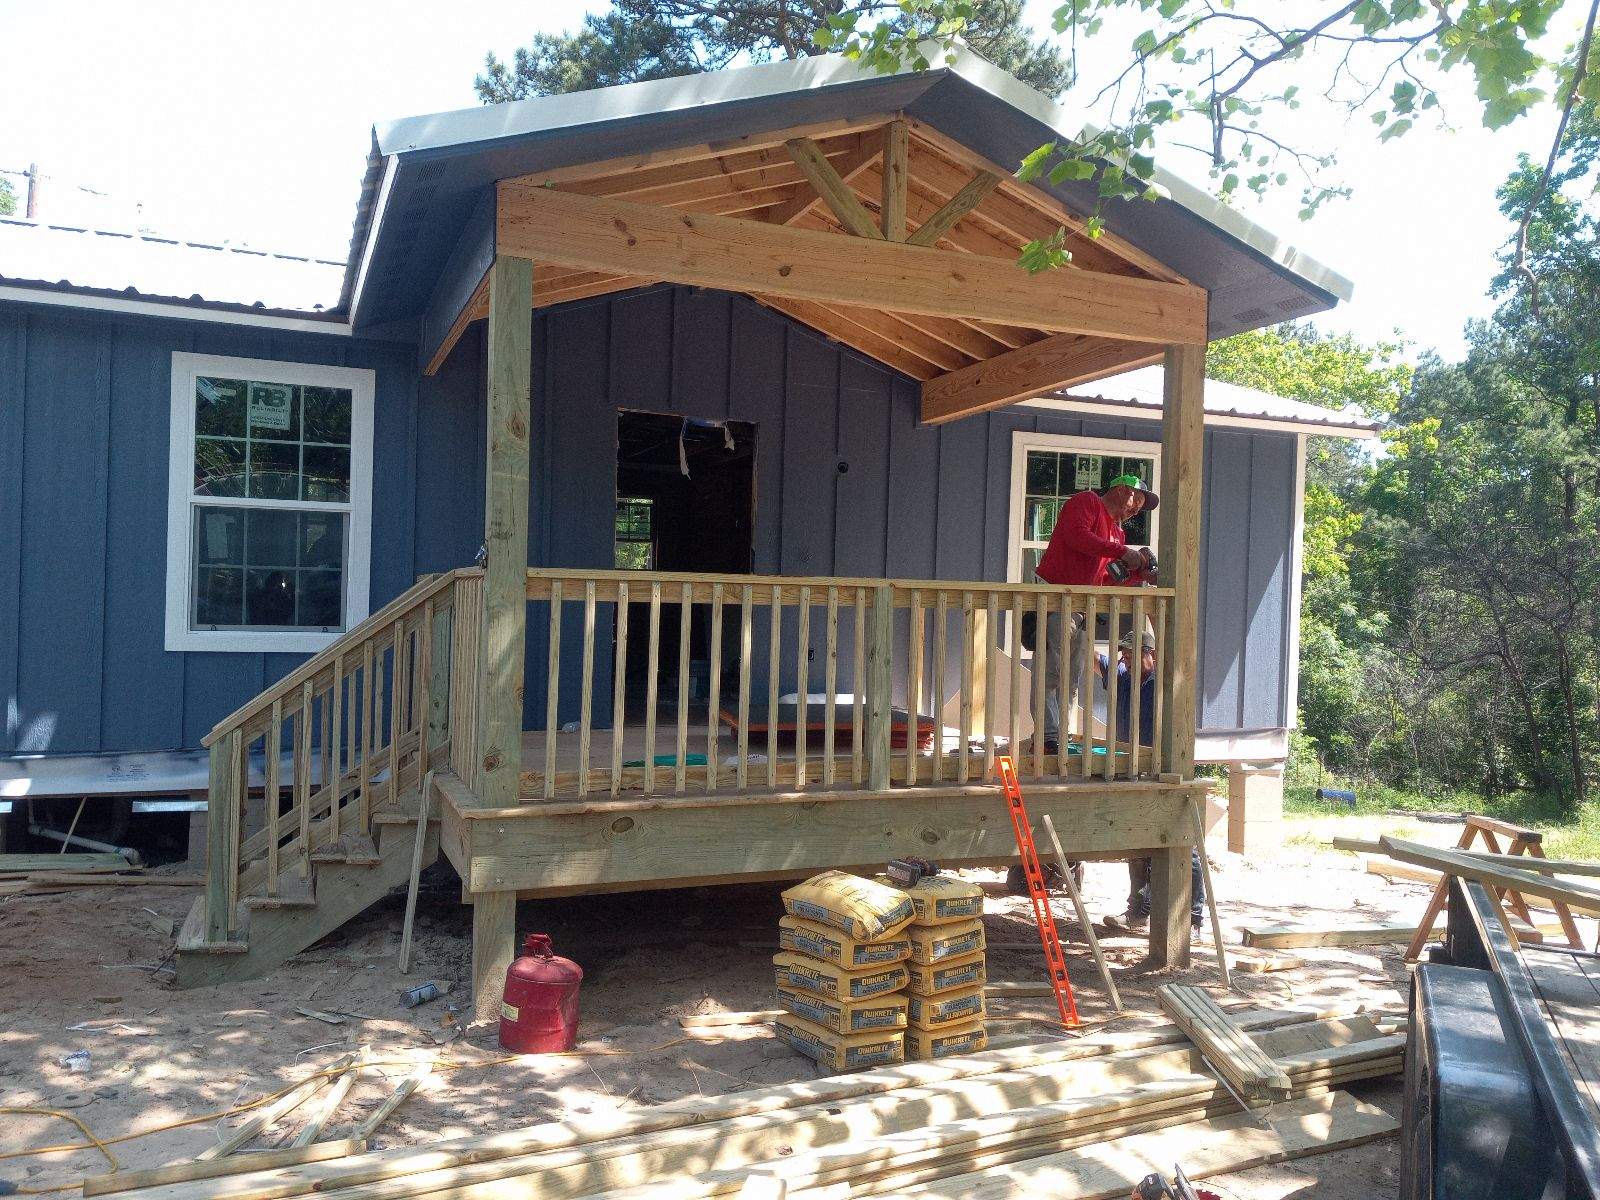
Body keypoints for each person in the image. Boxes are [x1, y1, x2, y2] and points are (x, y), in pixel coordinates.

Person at [1033, 473, 1158, 754]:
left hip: (1084, 606)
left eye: (1140, 504)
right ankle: (1047, 736)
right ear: (1121, 489)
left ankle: (1061, 735)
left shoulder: (1118, 533)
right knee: (1051, 668)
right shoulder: (1087, 502)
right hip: (1056, 596)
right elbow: (1077, 537)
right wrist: (1122, 552)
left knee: (1072, 675)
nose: (1136, 508)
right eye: (1136, 499)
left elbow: (1106, 579)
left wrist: (1139, 575)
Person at [1095, 630, 1206, 934]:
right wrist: (1073, 620)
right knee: (1137, 842)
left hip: (1166, 770)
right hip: (1133, 770)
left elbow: (1175, 642)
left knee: (1184, 845)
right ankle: (1137, 912)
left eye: (1132, 654)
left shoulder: (1164, 680)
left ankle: (1193, 918)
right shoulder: (1123, 676)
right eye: (1124, 655)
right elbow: (1092, 658)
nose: (1126, 660)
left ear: (1152, 655)